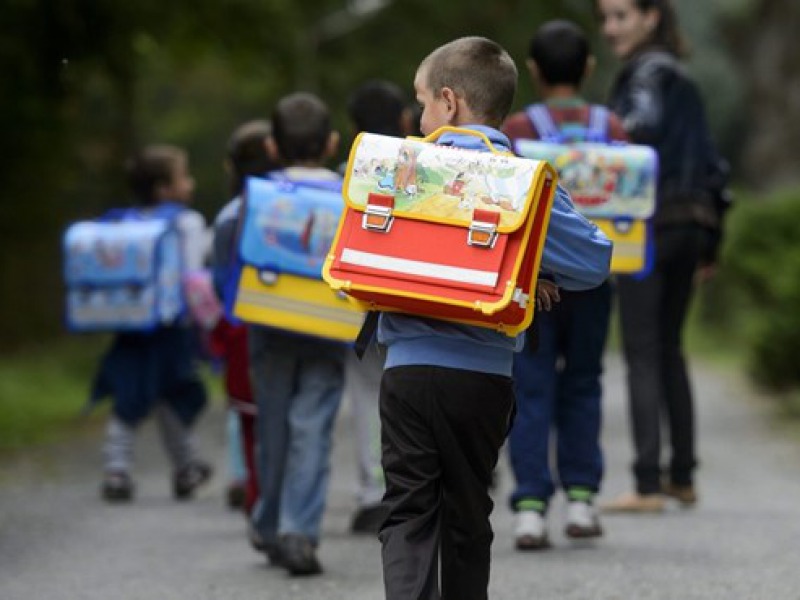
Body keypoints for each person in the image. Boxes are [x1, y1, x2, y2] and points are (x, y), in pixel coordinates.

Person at [376, 36, 613, 600]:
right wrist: (530, 267)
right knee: (466, 513)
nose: (419, 114)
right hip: (481, 377)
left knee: (407, 511)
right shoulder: (522, 180)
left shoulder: (400, 169)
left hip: (404, 370)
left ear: (450, 103)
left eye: (423, 100)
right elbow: (595, 261)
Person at [596, 0, 731, 512]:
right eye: (605, 18)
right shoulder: (685, 78)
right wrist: (712, 242)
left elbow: (638, 126)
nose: (610, 28)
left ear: (651, 17)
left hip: (649, 227)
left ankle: (648, 484)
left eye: (620, 16)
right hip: (694, 224)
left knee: (643, 350)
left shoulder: (646, 73)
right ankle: (683, 477)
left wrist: (604, 133)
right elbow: (717, 169)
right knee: (670, 346)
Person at [501, 19, 628, 550]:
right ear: (589, 67)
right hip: (595, 282)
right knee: (583, 382)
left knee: (529, 386)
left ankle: (530, 506)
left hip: (534, 282)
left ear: (532, 70)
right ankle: (581, 499)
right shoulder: (613, 127)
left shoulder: (519, 130)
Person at [246, 92, 345, 576]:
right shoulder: (350, 194)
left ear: (271, 147)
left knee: (274, 428)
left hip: (268, 323)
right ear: (331, 143)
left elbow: (227, 247)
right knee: (313, 428)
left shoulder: (259, 195)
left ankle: (268, 525)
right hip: (329, 328)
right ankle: (298, 532)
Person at [91, 144, 213, 503]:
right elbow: (192, 275)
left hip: (131, 328)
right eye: (183, 177)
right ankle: (186, 465)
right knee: (174, 396)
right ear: (164, 189)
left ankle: (117, 470)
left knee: (129, 396)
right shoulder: (186, 223)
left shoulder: (122, 222)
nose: (189, 183)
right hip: (171, 330)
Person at [341, 80, 414, 534]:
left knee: (368, 397)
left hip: (362, 310)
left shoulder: (347, 173)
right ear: (407, 120)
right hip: (417, 304)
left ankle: (375, 493)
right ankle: (419, 487)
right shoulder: (429, 171)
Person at [209, 119, 277, 516]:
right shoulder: (297, 203)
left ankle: (251, 488)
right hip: (293, 323)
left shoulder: (230, 214)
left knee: (247, 417)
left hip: (241, 328)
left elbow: (220, 282)